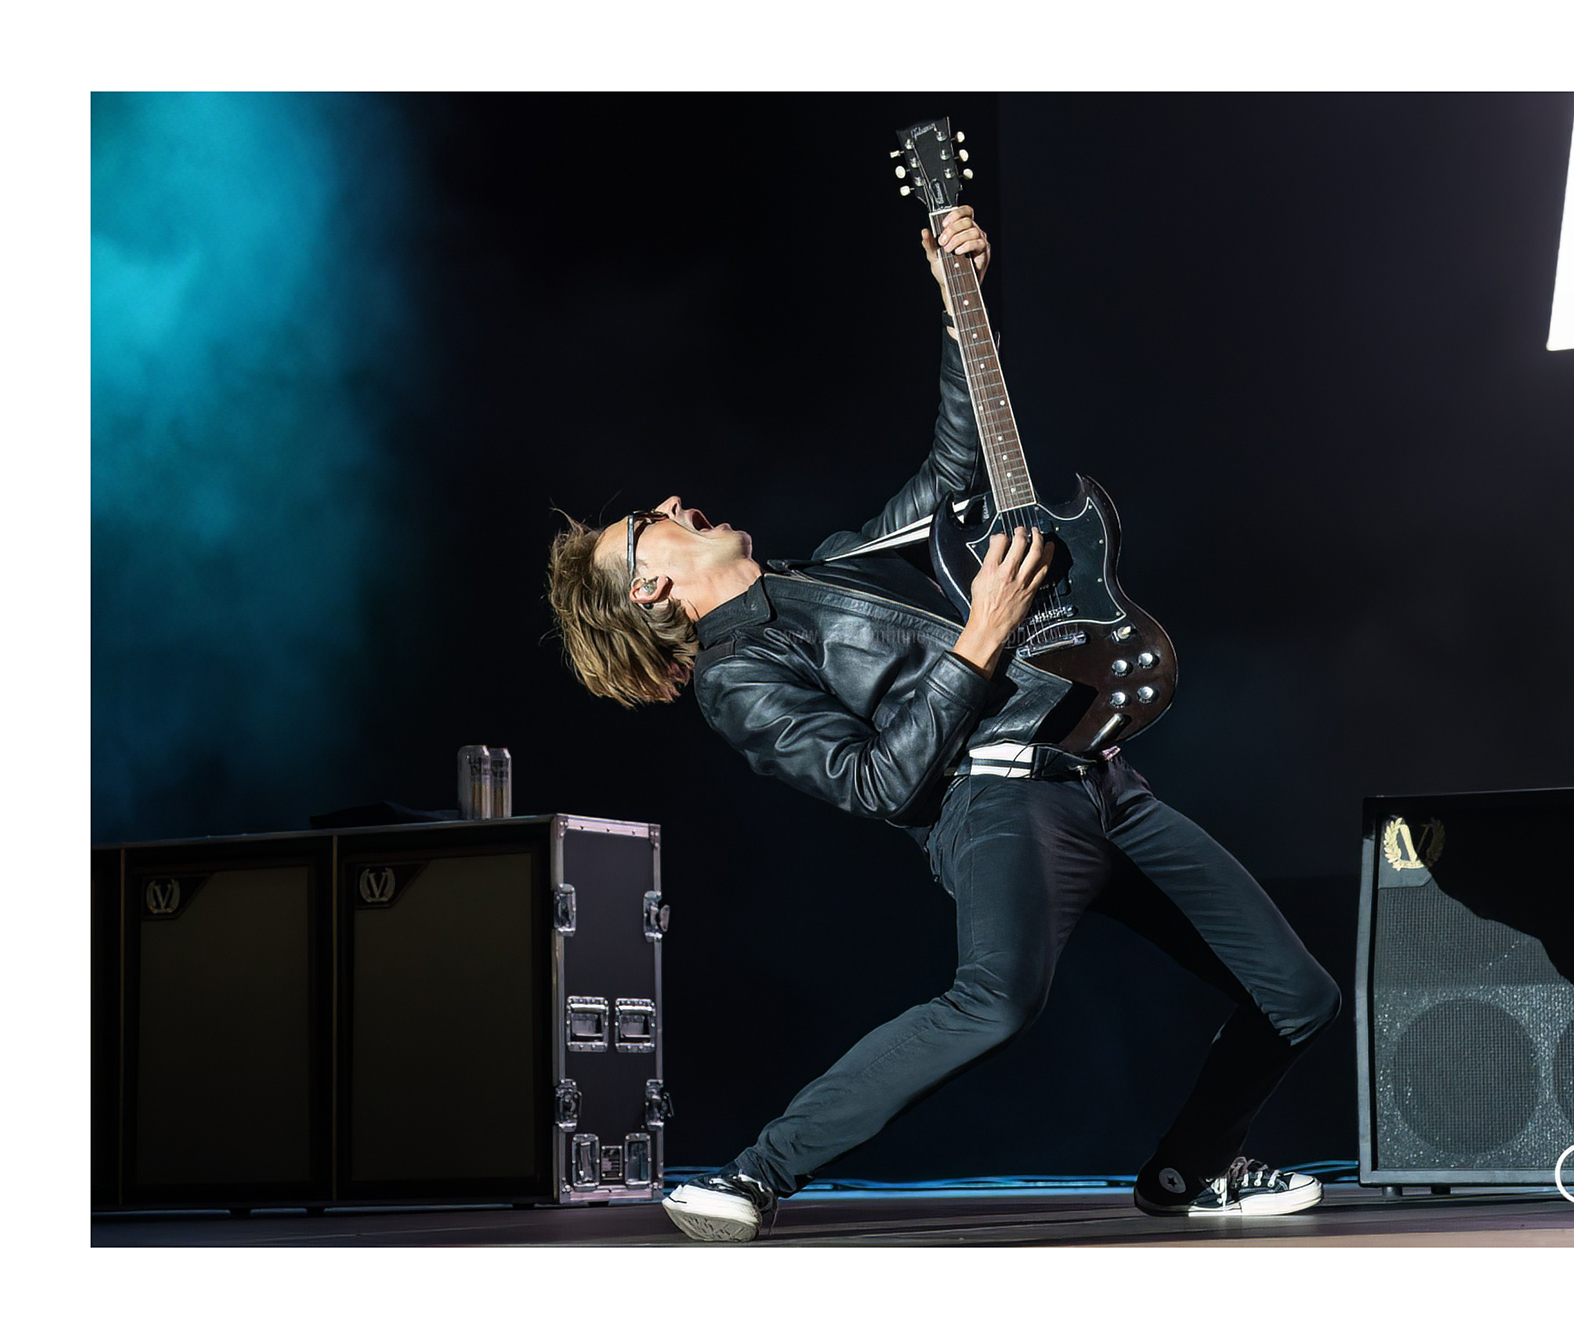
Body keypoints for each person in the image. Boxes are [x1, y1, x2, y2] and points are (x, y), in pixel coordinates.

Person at [545, 206, 1342, 1242]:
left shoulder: (829, 563)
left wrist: (957, 303)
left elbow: (956, 475)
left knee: (1298, 993)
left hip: (1101, 779)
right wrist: (982, 636)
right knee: (998, 997)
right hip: (995, 801)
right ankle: (753, 1172)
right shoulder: (738, 675)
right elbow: (880, 783)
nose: (673, 498)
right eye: (648, 521)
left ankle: (1188, 1170)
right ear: (653, 587)